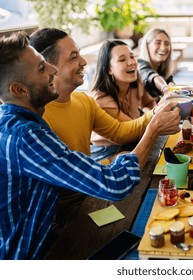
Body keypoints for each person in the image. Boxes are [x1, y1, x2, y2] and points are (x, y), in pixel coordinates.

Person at [0, 32, 180, 259]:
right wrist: (153, 128)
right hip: (38, 251)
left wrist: (107, 162)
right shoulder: (26, 136)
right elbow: (115, 184)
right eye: (41, 68)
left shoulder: (27, 124)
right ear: (19, 90)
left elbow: (101, 148)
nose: (52, 71)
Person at [89, 40, 157, 161]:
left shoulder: (135, 83)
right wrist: (158, 111)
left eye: (132, 56)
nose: (131, 62)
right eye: (122, 60)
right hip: (106, 151)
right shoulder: (100, 98)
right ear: (109, 69)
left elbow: (148, 103)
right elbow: (128, 133)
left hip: (133, 141)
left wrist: (148, 111)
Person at [138, 28, 175, 102]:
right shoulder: (140, 64)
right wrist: (164, 87)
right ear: (147, 46)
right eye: (158, 43)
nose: (163, 48)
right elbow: (153, 77)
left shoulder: (163, 69)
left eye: (167, 44)